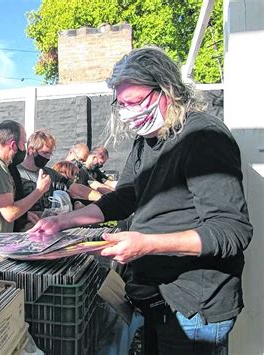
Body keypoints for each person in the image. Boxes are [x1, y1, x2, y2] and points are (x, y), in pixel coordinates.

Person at [29, 47, 253, 354]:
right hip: (155, 296)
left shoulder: (204, 137)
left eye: (134, 102)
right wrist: (63, 220)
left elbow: (232, 230)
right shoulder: (146, 140)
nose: (127, 113)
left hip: (194, 306)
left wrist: (147, 243)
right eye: (120, 105)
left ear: (168, 91)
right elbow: (126, 196)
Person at [0, 120, 51, 242]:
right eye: (23, 144)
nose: (24, 149)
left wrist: (25, 214)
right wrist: (39, 190)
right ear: (13, 145)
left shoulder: (0, 167)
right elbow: (10, 212)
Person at [16, 130, 103, 230]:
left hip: (46, 228)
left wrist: (102, 198)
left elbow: (77, 188)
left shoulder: (50, 173)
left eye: (50, 154)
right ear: (31, 150)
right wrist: (25, 214)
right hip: (24, 230)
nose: (47, 158)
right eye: (45, 153)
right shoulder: (16, 173)